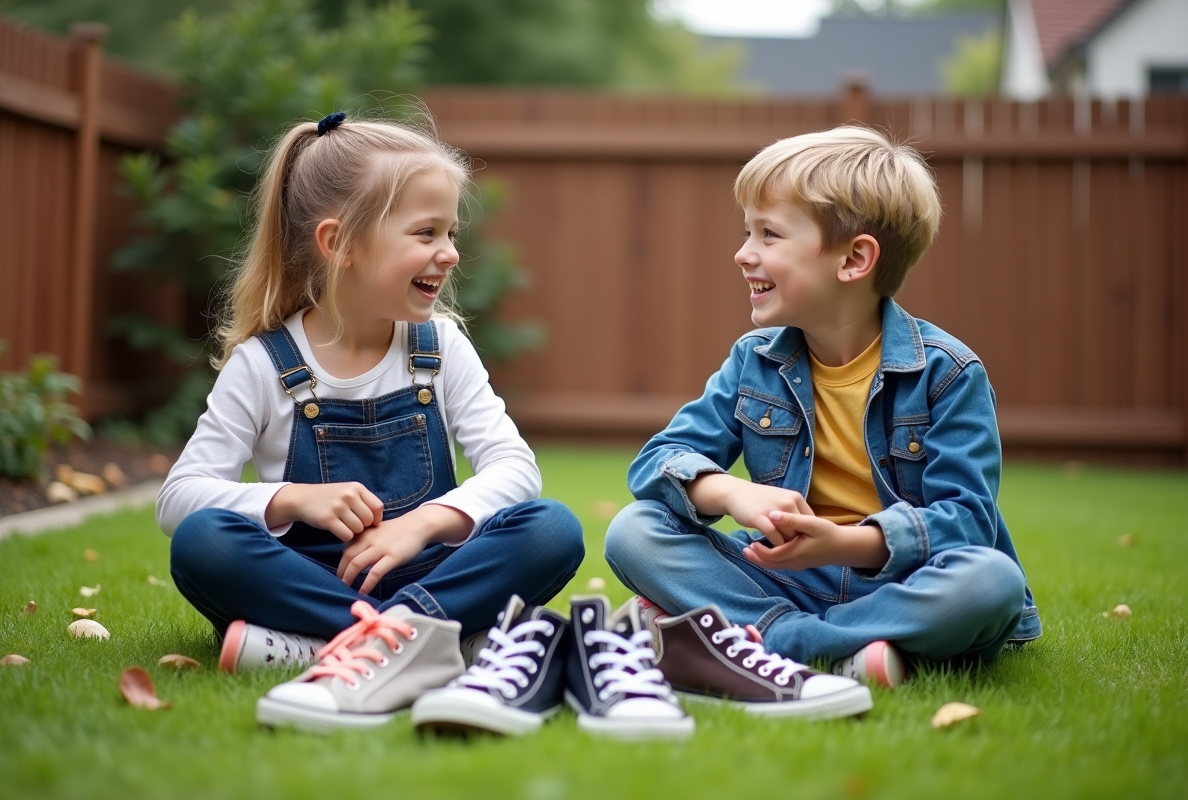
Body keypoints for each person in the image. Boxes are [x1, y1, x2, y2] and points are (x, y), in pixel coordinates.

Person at [158, 111, 583, 729]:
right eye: (426, 233)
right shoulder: (261, 365)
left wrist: (423, 525)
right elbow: (179, 499)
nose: (450, 252)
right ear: (340, 245)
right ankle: (432, 643)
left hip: (438, 574)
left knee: (551, 529)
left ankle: (333, 644)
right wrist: (292, 500)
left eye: (450, 232)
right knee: (203, 543)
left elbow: (515, 468)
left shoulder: (439, 348)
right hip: (308, 581)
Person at [604, 126, 1040, 713]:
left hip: (897, 582)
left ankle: (761, 640)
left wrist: (845, 543)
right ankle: (846, 649)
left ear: (854, 258)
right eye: (746, 232)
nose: (743, 252)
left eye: (769, 234)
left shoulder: (948, 374)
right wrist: (730, 491)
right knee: (634, 532)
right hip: (781, 575)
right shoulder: (753, 362)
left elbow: (966, 522)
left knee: (991, 584)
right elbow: (658, 462)